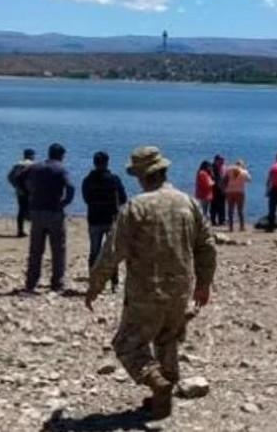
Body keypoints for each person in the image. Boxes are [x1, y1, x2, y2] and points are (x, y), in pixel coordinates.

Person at [86, 146, 216, 420]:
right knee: (167, 340)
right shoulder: (187, 202)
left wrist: (95, 284)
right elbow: (206, 245)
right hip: (181, 288)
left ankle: (157, 382)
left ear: (143, 176)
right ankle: (162, 403)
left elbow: (113, 250)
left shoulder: (136, 207)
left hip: (147, 290)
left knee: (126, 343)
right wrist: (204, 283)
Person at [24, 143, 75, 292]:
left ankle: (31, 282)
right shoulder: (60, 168)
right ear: (61, 155)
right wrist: (65, 202)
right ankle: (57, 282)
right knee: (58, 249)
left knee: (35, 249)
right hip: (54, 211)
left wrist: (29, 195)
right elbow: (70, 187)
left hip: (37, 210)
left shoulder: (36, 167)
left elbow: (20, 180)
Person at [81, 151, 127, 292]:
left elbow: (86, 199)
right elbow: (123, 198)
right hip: (110, 218)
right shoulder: (113, 179)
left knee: (94, 251)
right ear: (107, 162)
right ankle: (114, 282)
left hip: (94, 218)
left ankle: (94, 281)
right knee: (112, 252)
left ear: (94, 163)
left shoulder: (88, 180)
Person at [7, 148, 36, 237]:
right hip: (32, 191)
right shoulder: (34, 165)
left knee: (21, 211)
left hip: (20, 191)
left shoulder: (17, 165)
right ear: (32, 156)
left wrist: (16, 186)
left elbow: (10, 177)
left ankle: (20, 230)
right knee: (34, 210)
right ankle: (35, 230)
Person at [224, 159, 251, 232]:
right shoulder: (244, 172)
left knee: (230, 210)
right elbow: (249, 180)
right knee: (240, 210)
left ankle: (231, 227)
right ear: (241, 165)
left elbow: (224, 178)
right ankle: (241, 227)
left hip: (229, 191)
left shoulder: (229, 169)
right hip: (240, 192)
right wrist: (245, 170)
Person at [210, 154, 226, 226]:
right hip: (214, 189)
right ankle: (213, 221)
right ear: (216, 160)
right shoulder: (212, 168)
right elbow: (214, 178)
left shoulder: (222, 168)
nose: (222, 162)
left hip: (221, 189)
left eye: (223, 160)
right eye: (221, 160)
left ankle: (221, 220)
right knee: (214, 205)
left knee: (222, 205)